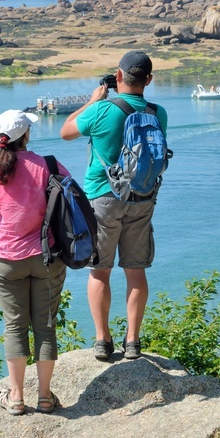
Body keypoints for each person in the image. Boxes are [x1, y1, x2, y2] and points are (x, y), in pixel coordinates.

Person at [0, 109, 68, 415]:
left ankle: (16, 398)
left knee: (15, 328)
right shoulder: (49, 165)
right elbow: (72, 203)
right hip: (47, 258)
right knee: (45, 327)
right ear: (26, 135)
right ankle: (45, 398)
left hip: (5, 260)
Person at [60, 51, 168, 362]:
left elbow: (65, 131)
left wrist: (94, 100)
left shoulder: (102, 110)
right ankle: (132, 342)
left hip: (103, 198)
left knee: (99, 272)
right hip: (143, 198)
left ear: (118, 77)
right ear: (148, 80)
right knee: (135, 272)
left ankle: (102, 340)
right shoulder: (158, 113)